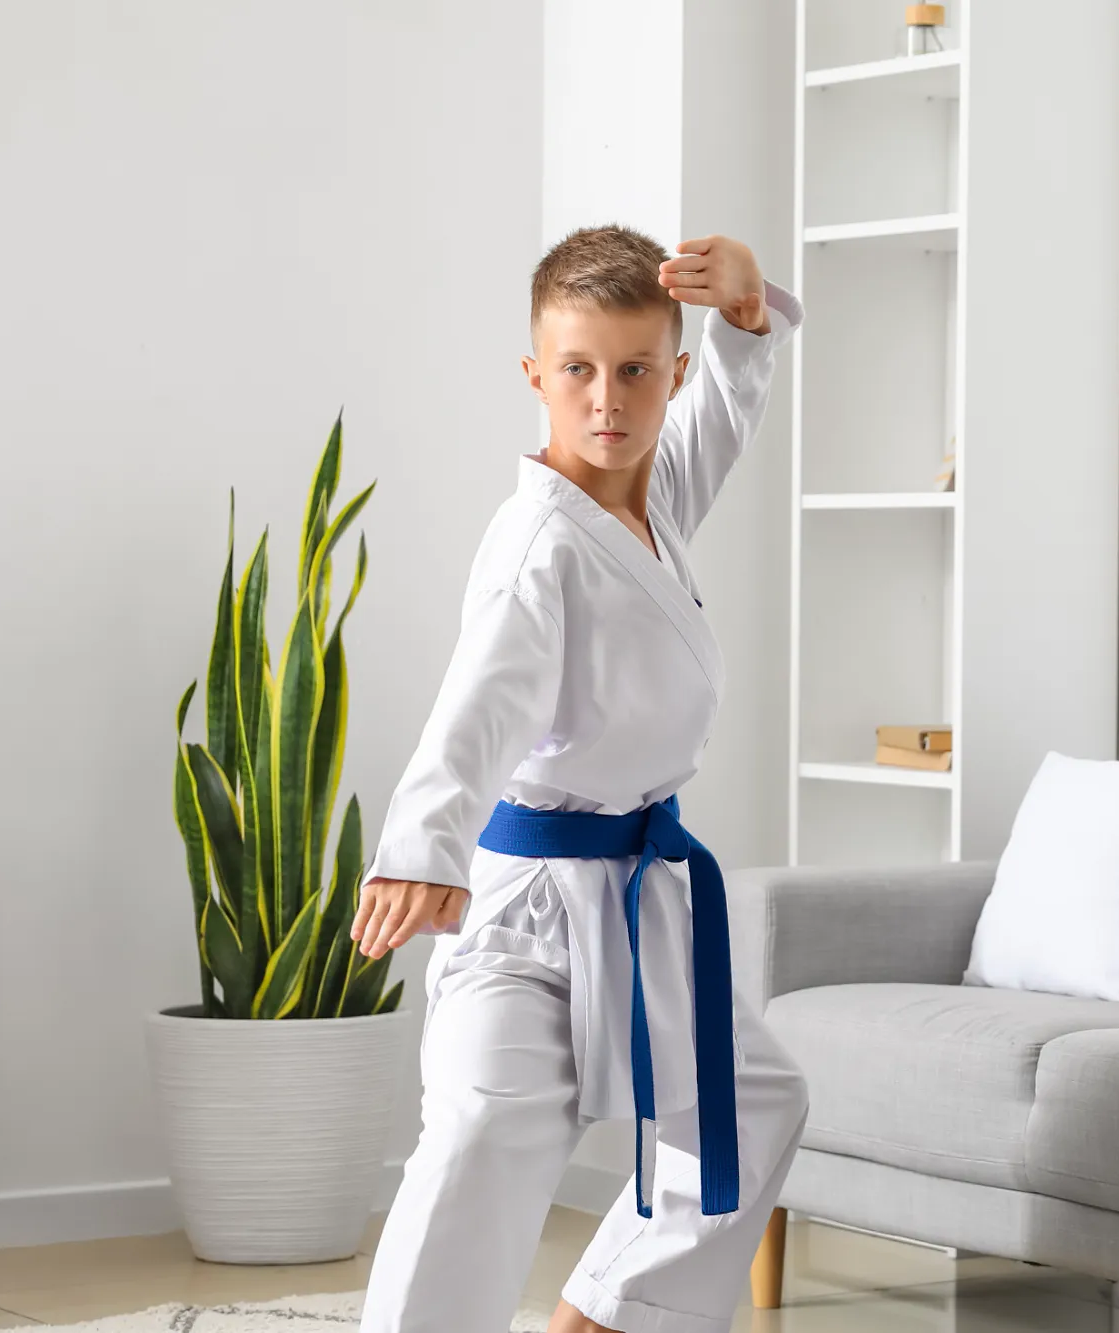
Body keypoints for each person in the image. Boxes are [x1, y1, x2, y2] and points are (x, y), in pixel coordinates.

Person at [352, 225, 809, 1333]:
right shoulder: (541, 545)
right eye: (576, 371)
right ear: (534, 377)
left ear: (669, 375)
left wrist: (746, 314)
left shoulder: (642, 502)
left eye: (634, 371)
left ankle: (601, 1317)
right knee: (480, 1134)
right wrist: (423, 848)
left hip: (633, 892)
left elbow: (724, 419)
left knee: (749, 1104)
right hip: (525, 909)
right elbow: (479, 704)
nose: (605, 399)